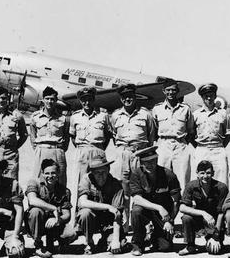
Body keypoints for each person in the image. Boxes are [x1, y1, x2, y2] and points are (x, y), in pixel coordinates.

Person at [110, 83, 156, 227]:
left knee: (144, 187)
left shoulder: (146, 114)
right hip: (122, 153)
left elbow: (151, 136)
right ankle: (124, 223)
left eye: (130, 96)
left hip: (140, 153)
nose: (127, 99)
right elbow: (113, 135)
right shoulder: (115, 115)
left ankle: (145, 224)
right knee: (122, 187)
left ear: (135, 97)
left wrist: (140, 151)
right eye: (124, 97)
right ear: (120, 99)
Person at [128, 146, 180, 256]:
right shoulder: (136, 174)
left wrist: (169, 221)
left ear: (157, 160)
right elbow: (137, 198)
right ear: (141, 163)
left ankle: (154, 236)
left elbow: (176, 201)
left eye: (152, 161)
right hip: (146, 210)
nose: (149, 165)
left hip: (164, 214)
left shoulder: (168, 175)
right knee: (136, 211)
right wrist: (158, 207)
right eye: (145, 162)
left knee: (165, 247)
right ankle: (138, 244)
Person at [26, 158, 76, 258]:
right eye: (47, 173)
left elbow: (67, 214)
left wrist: (58, 220)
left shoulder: (64, 190)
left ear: (58, 174)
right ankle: (38, 243)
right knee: (36, 210)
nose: (50, 176)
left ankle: (55, 243)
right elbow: (32, 200)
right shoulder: (34, 183)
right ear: (42, 173)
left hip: (54, 223)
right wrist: (54, 209)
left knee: (71, 234)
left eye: (53, 173)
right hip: (36, 222)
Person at [76, 155, 124, 255]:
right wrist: (108, 206)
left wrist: (115, 240)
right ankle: (89, 242)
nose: (100, 175)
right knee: (85, 212)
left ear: (108, 171)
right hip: (92, 219)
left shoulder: (115, 184)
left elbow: (117, 214)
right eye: (97, 173)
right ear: (92, 173)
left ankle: (105, 240)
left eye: (103, 172)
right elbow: (82, 202)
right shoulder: (86, 180)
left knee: (119, 246)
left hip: (108, 221)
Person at [178, 160, 228, 256]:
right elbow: (182, 207)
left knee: (214, 251)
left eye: (208, 173)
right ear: (197, 173)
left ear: (213, 173)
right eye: (202, 173)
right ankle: (190, 245)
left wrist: (216, 236)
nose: (205, 176)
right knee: (186, 217)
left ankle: (211, 238)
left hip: (214, 222)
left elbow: (221, 213)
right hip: (199, 220)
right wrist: (203, 213)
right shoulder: (191, 186)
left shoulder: (221, 187)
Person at [152, 79, 195, 190]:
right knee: (161, 176)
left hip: (180, 145)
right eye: (168, 90)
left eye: (173, 90)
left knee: (182, 177)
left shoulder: (185, 109)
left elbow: (190, 130)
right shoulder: (157, 109)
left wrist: (182, 142)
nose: (171, 93)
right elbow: (154, 129)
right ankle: (162, 204)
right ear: (163, 91)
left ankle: (181, 204)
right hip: (163, 145)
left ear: (178, 92)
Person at [69, 86, 113, 190]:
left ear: (93, 100)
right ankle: (80, 205)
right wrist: (82, 148)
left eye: (89, 99)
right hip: (81, 152)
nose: (87, 103)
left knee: (100, 181)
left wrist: (99, 148)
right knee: (80, 181)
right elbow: (73, 137)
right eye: (84, 100)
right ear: (80, 101)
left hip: (98, 151)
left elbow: (107, 135)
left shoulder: (103, 116)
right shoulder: (75, 117)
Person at [29, 87, 70, 186]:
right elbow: (32, 135)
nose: (49, 101)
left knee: (59, 180)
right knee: (38, 179)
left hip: (57, 151)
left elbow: (67, 138)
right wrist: (38, 149)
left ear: (56, 100)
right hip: (41, 150)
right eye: (47, 98)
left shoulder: (63, 118)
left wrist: (60, 150)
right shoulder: (35, 117)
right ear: (43, 100)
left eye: (52, 99)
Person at [192, 83, 229, 185]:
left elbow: (228, 134)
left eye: (211, 95)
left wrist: (219, 145)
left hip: (218, 150)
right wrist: (200, 146)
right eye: (205, 96)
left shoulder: (223, 114)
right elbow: (191, 134)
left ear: (215, 96)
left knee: (221, 178)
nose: (209, 98)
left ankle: (221, 200)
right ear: (202, 97)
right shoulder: (196, 114)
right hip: (202, 149)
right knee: (201, 178)